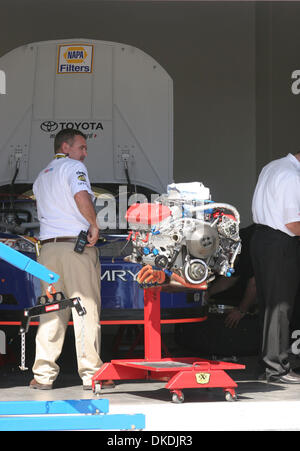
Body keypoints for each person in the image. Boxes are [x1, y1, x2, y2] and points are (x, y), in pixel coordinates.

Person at [30, 129, 114, 390]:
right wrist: (94, 224)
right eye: (82, 147)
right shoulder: (73, 168)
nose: (85, 153)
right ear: (65, 147)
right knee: (85, 308)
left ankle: (42, 376)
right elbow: (81, 196)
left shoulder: (40, 178)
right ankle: (91, 374)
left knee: (51, 310)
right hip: (74, 249)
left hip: (48, 251)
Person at [251, 152, 300, 384]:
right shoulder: (292, 175)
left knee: (269, 305)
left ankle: (269, 365)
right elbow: (293, 223)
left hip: (260, 238)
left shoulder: (271, 166)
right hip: (281, 242)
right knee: (280, 306)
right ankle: (276, 368)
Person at [205, 225, 257, 328]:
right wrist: (208, 293)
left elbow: (255, 283)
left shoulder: (251, 247)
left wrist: (241, 311)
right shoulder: (235, 248)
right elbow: (230, 278)